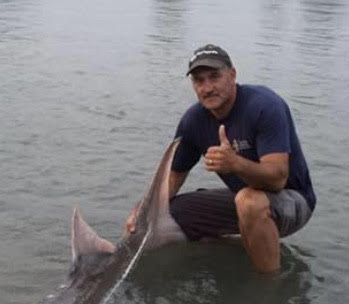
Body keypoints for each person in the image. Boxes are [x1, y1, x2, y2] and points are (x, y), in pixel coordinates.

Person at [127, 44, 316, 273]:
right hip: (242, 199)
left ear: (232, 75)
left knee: (248, 201)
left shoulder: (264, 106)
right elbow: (173, 179)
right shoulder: (193, 121)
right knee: (168, 214)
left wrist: (235, 163)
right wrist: (142, 212)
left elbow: (277, 179)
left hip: (293, 200)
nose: (207, 88)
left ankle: (270, 286)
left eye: (214, 77)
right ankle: (237, 245)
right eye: (199, 80)